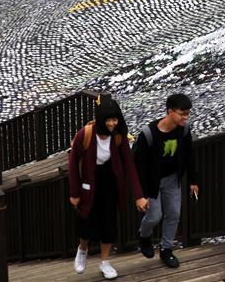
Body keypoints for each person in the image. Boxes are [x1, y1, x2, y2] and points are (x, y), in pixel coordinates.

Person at [68, 97, 148, 279]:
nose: (112, 123)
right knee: (86, 220)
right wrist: (74, 193)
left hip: (110, 181)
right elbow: (73, 164)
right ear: (100, 119)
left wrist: (138, 195)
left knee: (109, 223)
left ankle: (105, 262)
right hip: (89, 181)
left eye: (115, 119)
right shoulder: (85, 134)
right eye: (108, 120)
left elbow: (129, 165)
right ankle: (82, 249)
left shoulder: (119, 134)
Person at [133, 93, 199, 269]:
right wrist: (140, 194)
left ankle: (166, 249)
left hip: (172, 179)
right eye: (182, 113)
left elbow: (189, 155)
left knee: (174, 214)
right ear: (170, 111)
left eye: (188, 114)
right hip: (151, 182)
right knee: (154, 216)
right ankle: (144, 236)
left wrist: (193, 180)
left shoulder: (183, 129)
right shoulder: (148, 134)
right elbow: (137, 166)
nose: (185, 117)